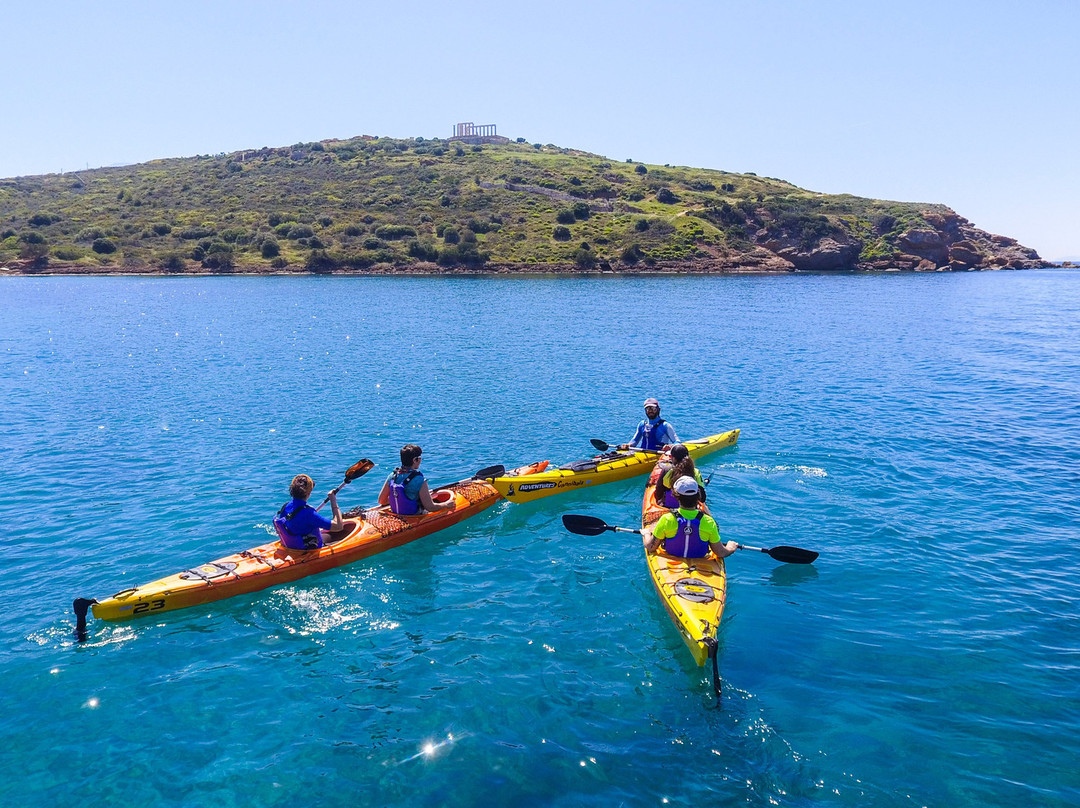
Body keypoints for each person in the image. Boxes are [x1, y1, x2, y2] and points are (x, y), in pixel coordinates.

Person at [644, 476, 736, 559]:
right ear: (697, 496)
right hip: (700, 559)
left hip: (672, 556)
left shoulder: (667, 519)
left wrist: (646, 533)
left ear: (676, 497)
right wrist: (730, 547)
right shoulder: (709, 522)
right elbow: (721, 553)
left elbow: (650, 547)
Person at [273, 473, 343, 551]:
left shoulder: (285, 507)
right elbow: (338, 526)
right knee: (339, 534)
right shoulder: (309, 513)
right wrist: (333, 500)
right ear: (308, 494)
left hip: (292, 546)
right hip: (308, 549)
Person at [378, 444, 454, 515]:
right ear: (415, 460)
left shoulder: (392, 476)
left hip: (397, 514)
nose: (420, 460)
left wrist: (399, 501)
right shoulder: (419, 480)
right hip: (415, 516)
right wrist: (446, 505)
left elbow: (382, 501)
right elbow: (430, 508)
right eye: (420, 458)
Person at [654, 443, 707, 508]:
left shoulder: (667, 470)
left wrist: (658, 500)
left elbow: (659, 490)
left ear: (674, 458)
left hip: (669, 506)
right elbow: (702, 497)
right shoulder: (695, 472)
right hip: (691, 507)